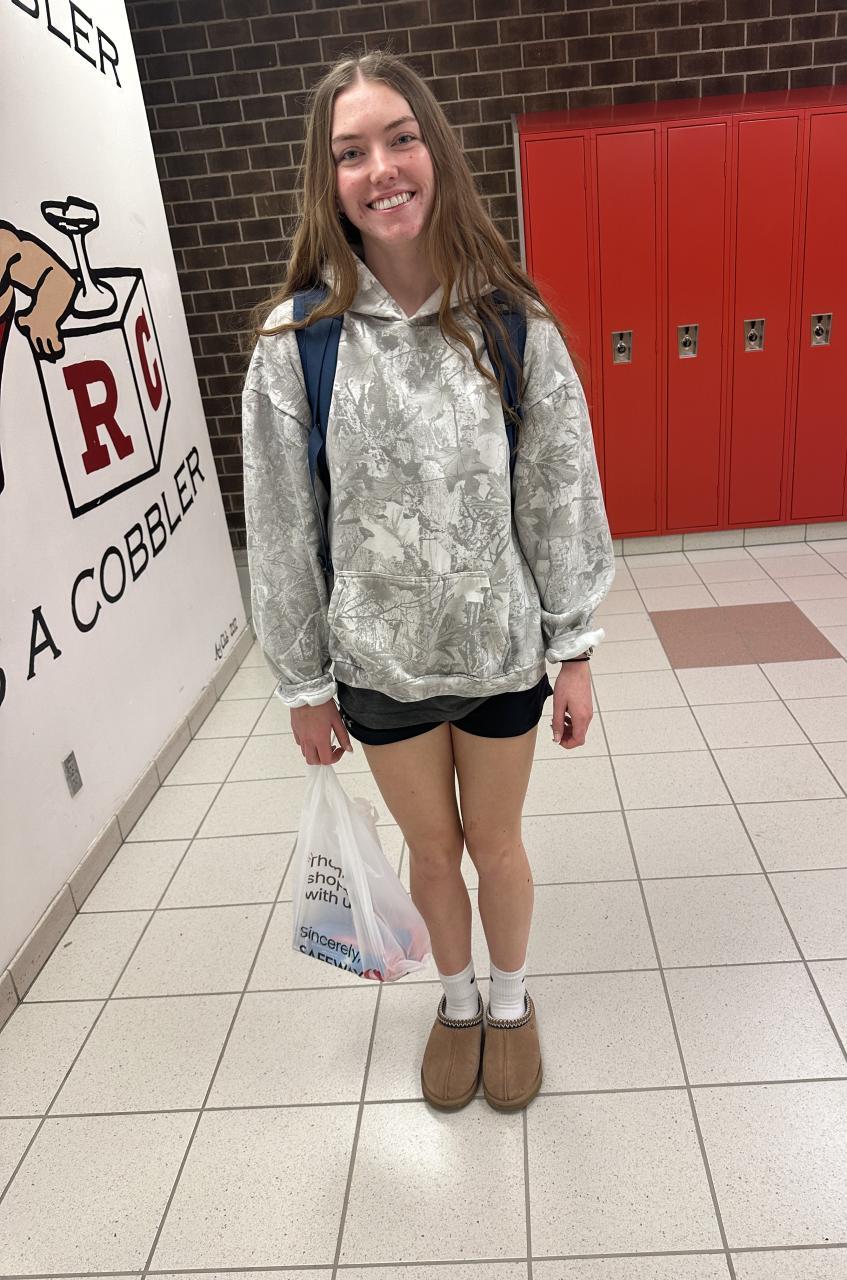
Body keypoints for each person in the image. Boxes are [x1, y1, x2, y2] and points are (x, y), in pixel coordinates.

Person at [241, 50, 614, 1114]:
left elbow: (559, 492)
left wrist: (574, 649)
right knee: (433, 850)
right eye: (350, 152)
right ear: (329, 182)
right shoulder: (297, 344)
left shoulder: (512, 323)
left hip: (498, 655)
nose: (382, 168)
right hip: (379, 665)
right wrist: (302, 684)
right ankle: (456, 1003)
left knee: (496, 843)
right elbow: (281, 528)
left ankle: (511, 1001)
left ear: (435, 151)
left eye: (400, 138)